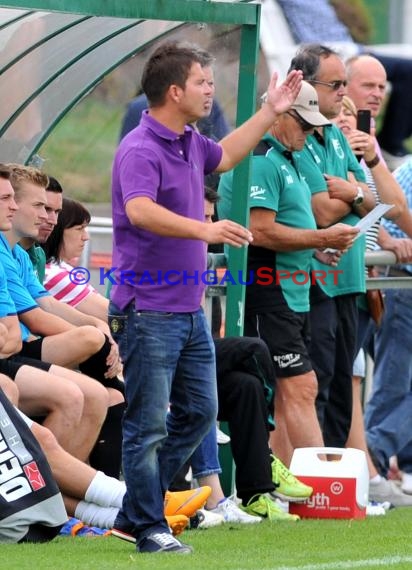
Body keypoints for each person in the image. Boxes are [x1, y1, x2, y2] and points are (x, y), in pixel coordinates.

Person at [108, 39, 303, 554]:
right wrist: (205, 231)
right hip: (147, 311)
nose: (210, 90)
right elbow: (141, 210)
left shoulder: (191, 141)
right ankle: (148, 525)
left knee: (197, 415)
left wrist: (270, 111)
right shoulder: (140, 147)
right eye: (202, 82)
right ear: (175, 91)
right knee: (147, 424)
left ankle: (134, 513)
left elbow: (230, 153)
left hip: (186, 310)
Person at [218, 80, 359, 466]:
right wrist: (321, 236)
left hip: (291, 288)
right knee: (299, 387)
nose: (312, 133)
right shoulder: (262, 158)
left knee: (290, 393)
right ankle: (322, 489)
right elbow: (260, 230)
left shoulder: (288, 155)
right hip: (269, 288)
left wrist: (316, 245)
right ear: (281, 116)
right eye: (306, 125)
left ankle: (288, 488)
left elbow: (298, 219)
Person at [288, 44, 376, 452]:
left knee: (344, 388)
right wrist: (354, 194)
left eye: (345, 83)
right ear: (304, 84)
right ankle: (318, 484)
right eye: (336, 84)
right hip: (317, 282)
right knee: (317, 385)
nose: (345, 92)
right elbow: (322, 212)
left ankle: (343, 488)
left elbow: (372, 199)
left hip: (349, 282)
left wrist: (352, 190)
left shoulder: (337, 139)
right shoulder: (299, 139)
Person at [331, 95, 412, 508]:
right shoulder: (320, 154)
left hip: (359, 293)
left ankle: (364, 472)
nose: (349, 123)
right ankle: (361, 469)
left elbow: (386, 214)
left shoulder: (361, 161)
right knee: (333, 384)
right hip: (322, 289)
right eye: (340, 113)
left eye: (353, 115)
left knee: (352, 379)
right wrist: (357, 196)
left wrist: (382, 234)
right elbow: (325, 211)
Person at [275, 0, 412, 169]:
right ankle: (391, 143)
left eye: (381, 87)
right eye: (369, 86)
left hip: (353, 48)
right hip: (331, 52)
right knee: (408, 70)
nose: (377, 94)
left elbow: (377, 194)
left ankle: (390, 143)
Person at [364, 158, 412, 502]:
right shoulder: (409, 169)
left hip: (397, 281)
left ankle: (391, 466)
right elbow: (395, 214)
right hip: (402, 282)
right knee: (395, 383)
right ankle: (372, 467)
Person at [42, 197, 109, 323]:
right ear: (56, 230)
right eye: (79, 229)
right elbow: (119, 317)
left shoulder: (58, 267)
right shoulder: (54, 276)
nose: (86, 237)